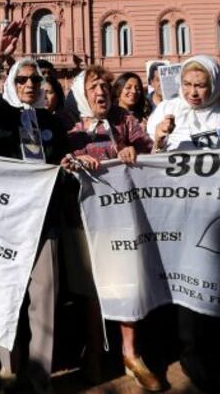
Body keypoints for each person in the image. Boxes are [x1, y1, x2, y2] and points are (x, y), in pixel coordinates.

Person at [147, 55, 220, 391]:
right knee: (188, 284)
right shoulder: (168, 109)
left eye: (201, 86)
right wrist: (161, 137)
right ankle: (191, 354)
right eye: (188, 85)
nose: (194, 93)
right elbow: (149, 158)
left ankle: (219, 350)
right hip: (181, 215)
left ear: (213, 84)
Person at [0, 21, 64, 394]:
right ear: (13, 83)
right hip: (7, 223)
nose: (30, 85)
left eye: (35, 81)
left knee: (46, 297)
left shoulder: (52, 122)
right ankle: (9, 369)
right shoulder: (3, 119)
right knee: (8, 294)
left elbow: (62, 159)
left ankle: (40, 376)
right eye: (23, 79)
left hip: (46, 221)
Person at [61, 66, 157, 390]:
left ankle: (131, 354)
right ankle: (96, 354)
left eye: (104, 85)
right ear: (82, 94)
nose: (100, 91)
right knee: (91, 290)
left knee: (126, 283)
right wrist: (72, 159)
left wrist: (136, 151)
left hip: (123, 219)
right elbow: (55, 159)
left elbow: (149, 149)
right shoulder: (68, 123)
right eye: (93, 86)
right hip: (84, 221)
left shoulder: (123, 120)